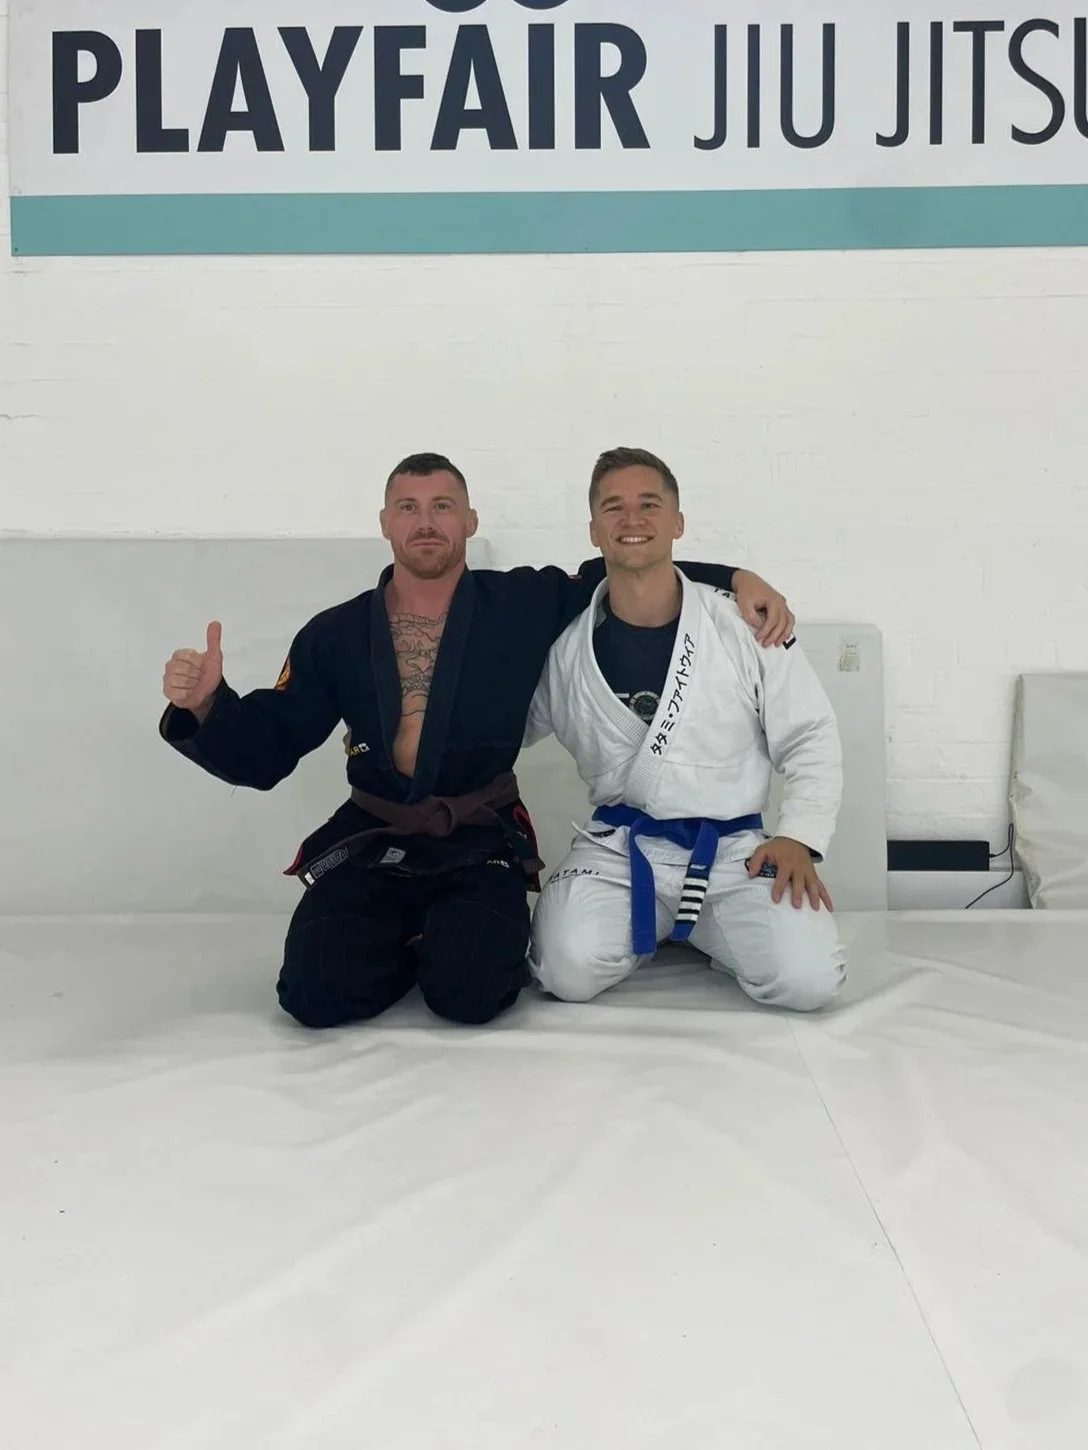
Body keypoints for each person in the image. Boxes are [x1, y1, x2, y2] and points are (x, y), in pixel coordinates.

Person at [160, 452, 797, 1030]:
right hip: (373, 836)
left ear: (469, 520)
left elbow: (631, 566)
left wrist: (736, 577)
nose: (426, 521)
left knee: (474, 995)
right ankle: (406, 937)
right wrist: (207, 705)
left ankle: (436, 941)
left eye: (443, 506)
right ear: (385, 523)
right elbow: (271, 747)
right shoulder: (336, 633)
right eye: (408, 508)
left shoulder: (522, 602)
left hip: (477, 837)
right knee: (313, 996)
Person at [525, 447, 846, 1012]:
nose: (632, 519)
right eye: (614, 507)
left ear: (678, 523)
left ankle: (698, 925)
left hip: (734, 854)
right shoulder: (564, 645)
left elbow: (810, 735)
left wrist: (797, 835)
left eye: (649, 504)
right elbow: (507, 730)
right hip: (620, 854)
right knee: (565, 970)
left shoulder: (743, 624)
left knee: (809, 980)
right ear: (594, 531)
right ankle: (672, 924)